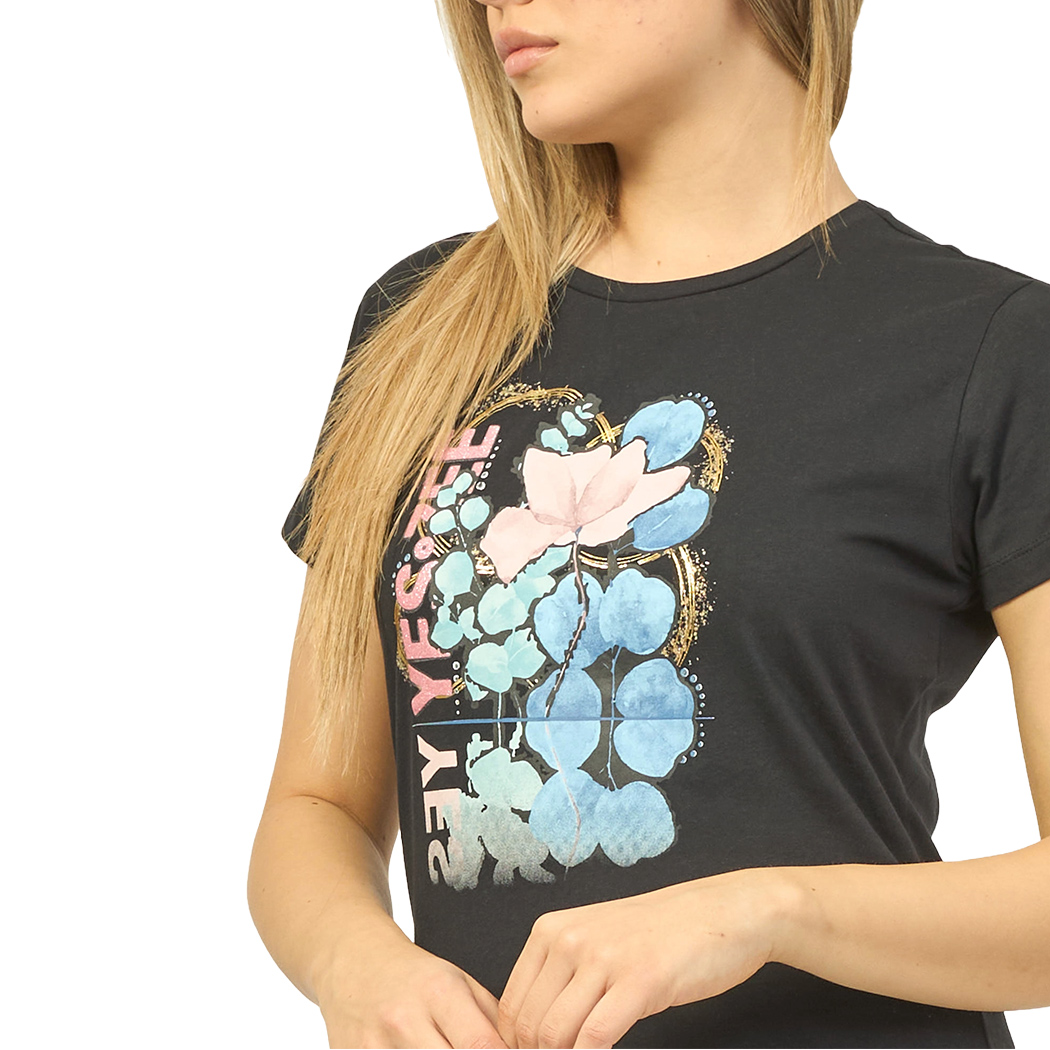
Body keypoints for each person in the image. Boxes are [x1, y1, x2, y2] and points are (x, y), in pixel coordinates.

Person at [246, 1, 1050, 1047]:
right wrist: (355, 965)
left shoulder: (992, 350)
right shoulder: (424, 326)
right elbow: (317, 804)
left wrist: (765, 913)